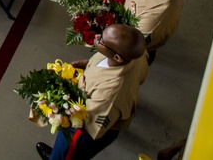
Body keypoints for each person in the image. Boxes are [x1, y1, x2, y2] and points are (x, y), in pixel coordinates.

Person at [35, 24, 148, 160]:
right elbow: (99, 62)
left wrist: (56, 107)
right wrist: (82, 64)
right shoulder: (129, 54)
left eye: (101, 41)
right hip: (88, 102)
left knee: (68, 154)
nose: (97, 37)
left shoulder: (110, 95)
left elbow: (89, 124)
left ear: (118, 57)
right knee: (61, 149)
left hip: (83, 131)